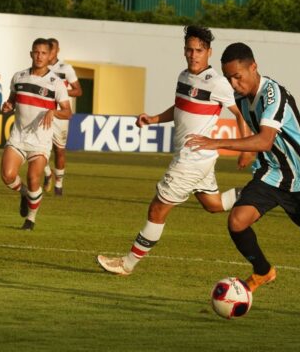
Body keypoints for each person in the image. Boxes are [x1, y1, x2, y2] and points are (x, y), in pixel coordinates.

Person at [185, 42, 300, 323]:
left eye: (238, 76)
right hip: (273, 174)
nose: (233, 83)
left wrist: (218, 142)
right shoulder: (241, 98)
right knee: (237, 221)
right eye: (228, 78)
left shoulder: (273, 94)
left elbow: (265, 139)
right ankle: (263, 270)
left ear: (253, 67)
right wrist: (247, 149)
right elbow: (252, 130)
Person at [97, 26, 251, 276]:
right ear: (184, 51)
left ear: (209, 52)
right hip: (197, 158)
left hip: (192, 160)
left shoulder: (219, 83)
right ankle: (262, 191)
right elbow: (179, 108)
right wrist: (153, 119)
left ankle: (127, 264)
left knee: (157, 209)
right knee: (213, 204)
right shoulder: (183, 77)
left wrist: (246, 148)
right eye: (189, 50)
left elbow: (239, 114)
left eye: (199, 50)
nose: (193, 55)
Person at [0, 38, 71, 231]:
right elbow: (11, 101)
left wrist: (53, 111)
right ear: (31, 54)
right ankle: (23, 193)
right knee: (7, 176)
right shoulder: (19, 77)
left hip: (40, 141)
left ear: (50, 56)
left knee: (33, 179)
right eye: (36, 52)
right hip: (18, 137)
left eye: (43, 53)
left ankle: (30, 219)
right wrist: (7, 106)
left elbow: (67, 111)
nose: (39, 56)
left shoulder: (56, 83)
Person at [42, 37, 83, 196]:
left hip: (60, 115)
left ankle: (59, 185)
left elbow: (78, 91)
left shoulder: (66, 69)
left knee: (59, 151)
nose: (50, 52)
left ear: (57, 50)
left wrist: (59, 93)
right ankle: (47, 174)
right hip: (43, 113)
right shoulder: (40, 68)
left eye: (52, 49)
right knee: (37, 149)